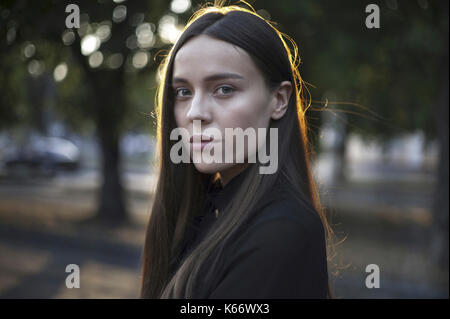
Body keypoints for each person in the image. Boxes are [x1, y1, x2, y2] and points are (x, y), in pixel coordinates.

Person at [140, 1, 334, 299]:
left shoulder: (283, 231)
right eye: (183, 92)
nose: (195, 112)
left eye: (224, 89)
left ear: (279, 100)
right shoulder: (204, 212)